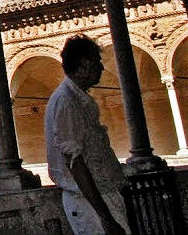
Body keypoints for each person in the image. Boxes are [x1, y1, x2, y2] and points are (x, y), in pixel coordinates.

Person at [45, 34, 130, 235]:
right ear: (84, 65)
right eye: (97, 62)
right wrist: (105, 217)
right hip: (90, 206)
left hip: (99, 199)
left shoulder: (77, 99)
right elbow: (75, 163)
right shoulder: (66, 101)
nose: (102, 68)